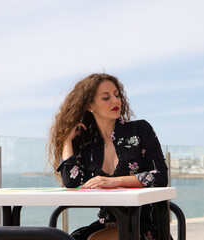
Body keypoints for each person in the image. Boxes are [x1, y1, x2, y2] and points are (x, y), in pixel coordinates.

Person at [48, 73, 168, 240]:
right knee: (68, 238)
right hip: (109, 224)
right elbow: (72, 183)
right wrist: (67, 141)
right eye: (106, 97)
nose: (115, 100)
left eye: (116, 95)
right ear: (90, 105)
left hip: (145, 225)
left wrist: (113, 182)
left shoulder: (140, 130)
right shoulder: (88, 145)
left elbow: (160, 176)